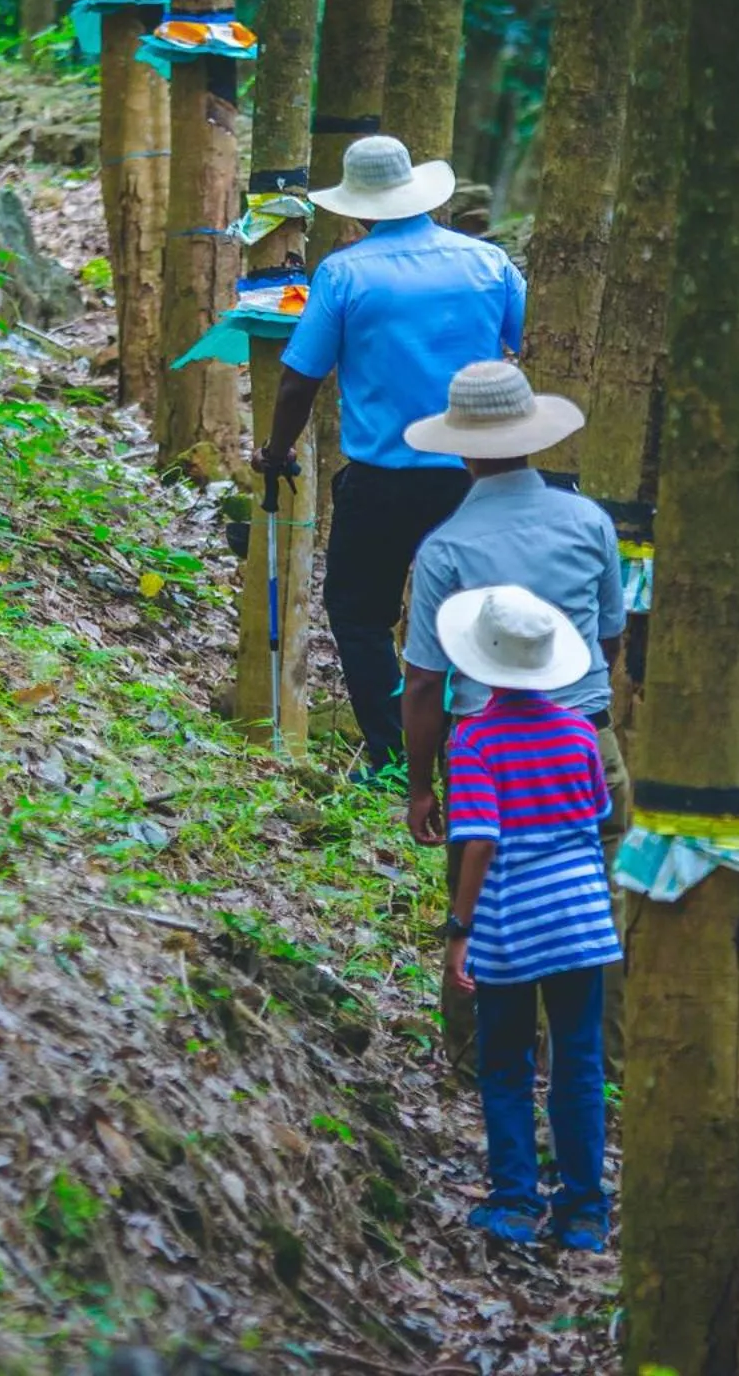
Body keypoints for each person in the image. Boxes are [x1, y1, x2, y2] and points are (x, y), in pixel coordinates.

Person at [255, 134, 527, 778]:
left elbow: (301, 377)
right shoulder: (489, 264)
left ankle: (394, 757)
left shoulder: (345, 272)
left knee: (359, 613)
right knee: (473, 616)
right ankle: (471, 755)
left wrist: (275, 450)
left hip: (381, 479)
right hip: (476, 476)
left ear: (356, 208)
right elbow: (526, 342)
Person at [396, 360, 629, 1073]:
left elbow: (423, 680)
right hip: (587, 738)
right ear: (533, 436)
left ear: (461, 447)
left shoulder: (446, 549)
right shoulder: (590, 522)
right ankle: (599, 1067)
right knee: (602, 901)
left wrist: (420, 784)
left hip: (484, 749)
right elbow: (611, 637)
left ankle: (481, 1063)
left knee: (481, 902)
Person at [435, 584, 621, 1251]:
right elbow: (596, 817)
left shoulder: (475, 741)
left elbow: (479, 838)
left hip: (512, 925)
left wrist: (461, 931)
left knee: (507, 1062)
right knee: (577, 1061)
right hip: (581, 922)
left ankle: (515, 1203)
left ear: (480, 661)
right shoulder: (578, 732)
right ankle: (584, 1212)